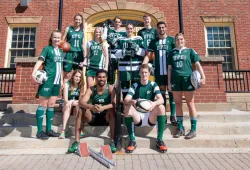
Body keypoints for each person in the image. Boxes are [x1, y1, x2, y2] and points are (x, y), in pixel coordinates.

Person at [67, 69, 117, 153]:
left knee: (112, 110)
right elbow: (82, 102)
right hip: (93, 117)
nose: (102, 79)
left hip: (106, 118)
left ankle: (112, 141)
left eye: (104, 77)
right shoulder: (91, 89)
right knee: (81, 109)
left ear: (106, 78)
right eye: (99, 77)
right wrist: (92, 107)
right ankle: (76, 141)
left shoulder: (111, 88)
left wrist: (103, 107)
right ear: (96, 78)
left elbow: (114, 104)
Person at [167, 33, 206, 139]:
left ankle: (193, 130)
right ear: (175, 41)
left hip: (188, 79)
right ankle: (180, 128)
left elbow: (197, 64)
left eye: (181, 39)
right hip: (175, 80)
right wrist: (169, 82)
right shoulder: (171, 53)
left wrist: (203, 77)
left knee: (190, 103)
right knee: (178, 103)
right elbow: (169, 68)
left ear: (184, 40)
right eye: (177, 39)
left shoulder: (190, 51)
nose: (179, 41)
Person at [123, 64, 167, 153]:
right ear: (139, 73)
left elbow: (161, 99)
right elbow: (126, 99)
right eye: (142, 72)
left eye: (146, 72)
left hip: (150, 116)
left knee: (161, 107)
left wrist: (154, 103)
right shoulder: (135, 85)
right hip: (138, 117)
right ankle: (132, 140)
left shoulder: (153, 84)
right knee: (127, 107)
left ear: (149, 73)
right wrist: (133, 101)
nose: (144, 74)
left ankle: (159, 140)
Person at [142, 21, 177, 125]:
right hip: (159, 72)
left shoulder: (171, 40)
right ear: (157, 29)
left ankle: (173, 116)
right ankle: (164, 115)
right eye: (159, 28)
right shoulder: (154, 42)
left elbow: (176, 53)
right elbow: (148, 55)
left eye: (163, 27)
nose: (161, 29)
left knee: (171, 93)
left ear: (166, 28)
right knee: (161, 95)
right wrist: (143, 65)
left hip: (171, 72)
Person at [32, 30, 63, 140]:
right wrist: (34, 72)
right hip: (48, 81)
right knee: (43, 105)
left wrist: (62, 81)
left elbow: (61, 67)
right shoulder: (47, 49)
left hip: (57, 82)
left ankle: (49, 130)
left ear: (61, 39)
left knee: (51, 105)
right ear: (51, 38)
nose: (56, 39)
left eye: (58, 37)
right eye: (55, 37)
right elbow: (40, 60)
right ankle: (39, 131)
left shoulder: (61, 51)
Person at [58, 69, 84, 139]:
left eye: (79, 77)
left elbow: (81, 100)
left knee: (78, 107)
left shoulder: (81, 86)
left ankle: (79, 129)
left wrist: (72, 102)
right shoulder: (67, 84)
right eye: (76, 76)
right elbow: (66, 99)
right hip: (67, 105)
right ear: (73, 76)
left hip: (76, 105)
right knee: (68, 106)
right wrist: (71, 102)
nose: (78, 78)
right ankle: (63, 131)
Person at [103, 16, 127, 84]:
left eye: (119, 22)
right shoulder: (110, 31)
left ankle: (119, 93)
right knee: (110, 77)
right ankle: (111, 93)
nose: (117, 23)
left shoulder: (124, 33)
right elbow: (104, 37)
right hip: (111, 56)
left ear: (121, 23)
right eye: (116, 22)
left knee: (120, 78)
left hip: (121, 56)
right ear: (114, 23)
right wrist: (105, 28)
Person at [63, 13, 85, 83]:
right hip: (69, 53)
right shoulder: (68, 29)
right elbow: (62, 40)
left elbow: (83, 44)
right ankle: (65, 93)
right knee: (67, 75)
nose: (78, 21)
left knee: (78, 75)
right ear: (74, 20)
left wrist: (85, 56)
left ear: (81, 21)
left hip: (79, 54)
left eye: (79, 20)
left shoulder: (82, 31)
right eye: (76, 19)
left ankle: (77, 93)